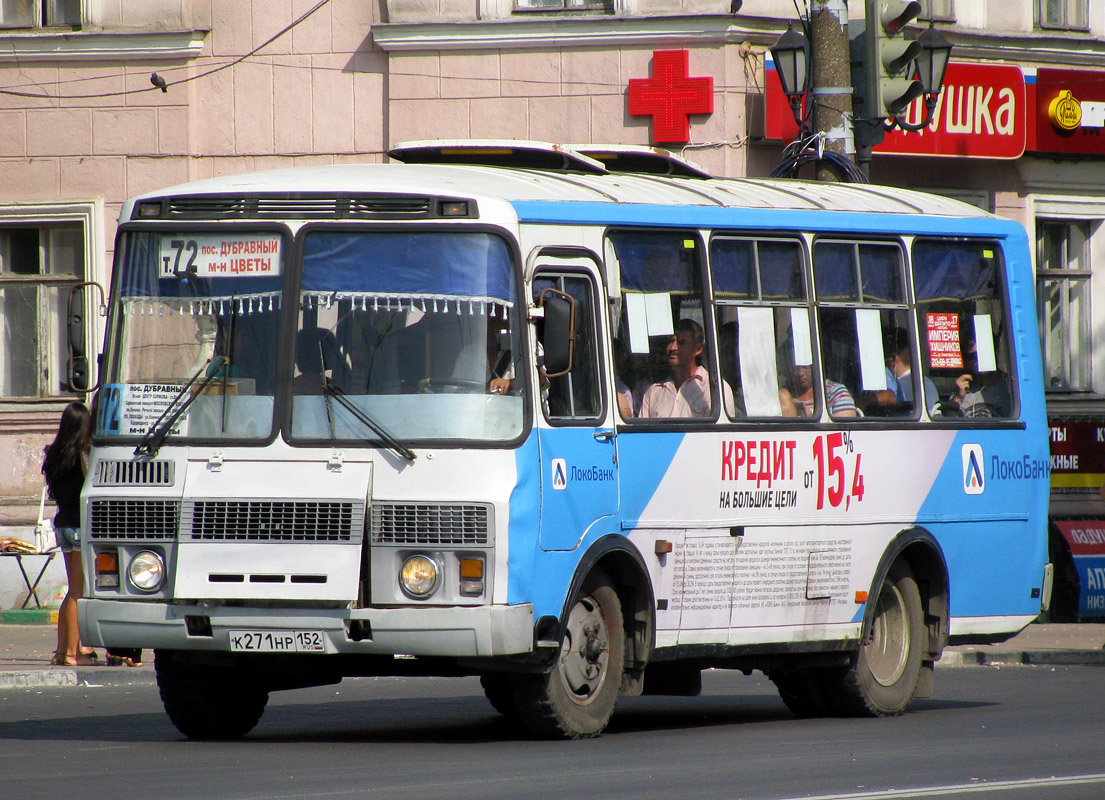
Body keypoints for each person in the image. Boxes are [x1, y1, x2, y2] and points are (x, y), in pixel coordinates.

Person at [41, 402, 97, 667]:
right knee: (78, 591)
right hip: (79, 525)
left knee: (72, 592)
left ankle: (61, 652)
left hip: (62, 524)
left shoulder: (54, 454)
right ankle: (74, 654)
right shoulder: (82, 455)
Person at [639, 319, 735, 418]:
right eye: (671, 341)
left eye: (682, 342)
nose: (673, 347)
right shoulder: (654, 392)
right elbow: (641, 432)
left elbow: (721, 432)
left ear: (698, 349)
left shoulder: (715, 390)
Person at [952, 339, 1011, 418]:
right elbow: (949, 425)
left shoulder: (1010, 385)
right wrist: (958, 398)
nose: (978, 360)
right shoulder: (962, 388)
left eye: (983, 354)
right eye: (972, 357)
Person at [786, 362, 858, 418]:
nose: (800, 373)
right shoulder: (784, 396)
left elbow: (845, 430)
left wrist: (811, 419)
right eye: (795, 368)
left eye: (806, 367)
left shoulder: (835, 391)